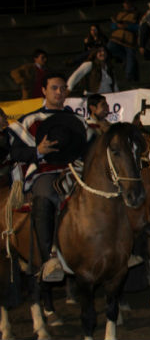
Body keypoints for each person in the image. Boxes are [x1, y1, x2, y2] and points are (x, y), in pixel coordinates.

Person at [7, 72, 92, 282]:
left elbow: (91, 149)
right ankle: (49, 259)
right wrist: (38, 151)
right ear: (43, 90)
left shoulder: (78, 120)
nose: (59, 92)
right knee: (44, 198)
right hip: (44, 171)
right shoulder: (29, 120)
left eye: (63, 88)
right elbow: (14, 154)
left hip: (77, 171)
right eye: (54, 88)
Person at [107, 0, 140, 82]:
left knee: (130, 55)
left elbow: (139, 27)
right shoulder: (119, 13)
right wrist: (117, 26)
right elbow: (112, 26)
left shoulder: (137, 14)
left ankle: (128, 76)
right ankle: (124, 59)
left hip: (129, 39)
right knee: (109, 48)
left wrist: (127, 26)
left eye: (127, 3)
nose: (125, 5)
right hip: (116, 37)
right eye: (124, 3)